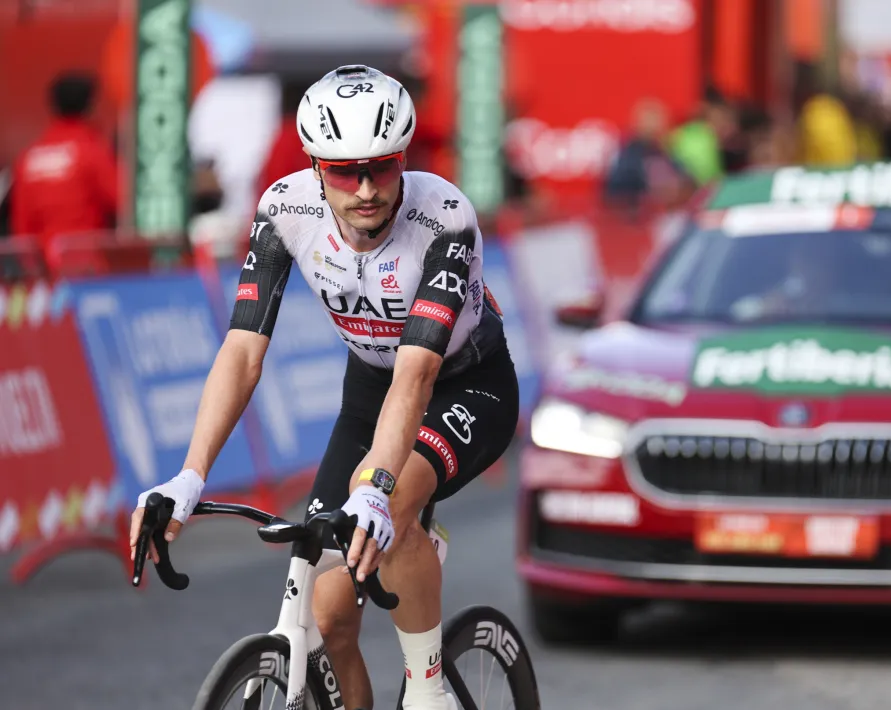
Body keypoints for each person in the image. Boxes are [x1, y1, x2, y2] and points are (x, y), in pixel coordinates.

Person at [128, 65, 518, 710]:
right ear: (314, 166)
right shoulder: (284, 211)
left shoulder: (444, 217)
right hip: (370, 392)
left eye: (382, 167)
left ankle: (428, 691)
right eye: (343, 172)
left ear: (403, 159)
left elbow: (417, 374)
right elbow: (242, 352)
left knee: (386, 505)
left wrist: (379, 487)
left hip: (466, 387)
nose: (365, 189)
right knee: (327, 619)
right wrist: (189, 478)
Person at [9, 72, 119, 260]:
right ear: (90, 106)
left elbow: (21, 223)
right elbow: (121, 200)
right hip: (87, 268)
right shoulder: (93, 151)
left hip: (43, 270)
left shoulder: (28, 158)